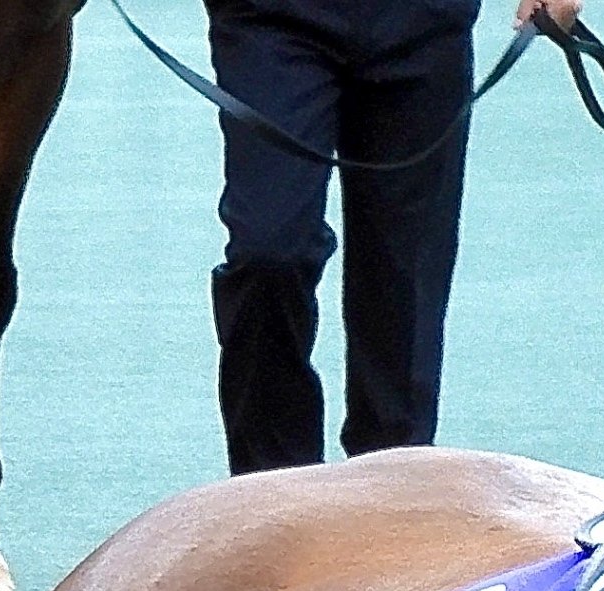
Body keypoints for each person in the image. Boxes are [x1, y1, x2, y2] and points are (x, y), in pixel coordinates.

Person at [206, 0, 582, 474]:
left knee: (405, 276)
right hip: (271, 20)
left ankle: (390, 491)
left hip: (423, 21)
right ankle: (272, 488)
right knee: (268, 248)